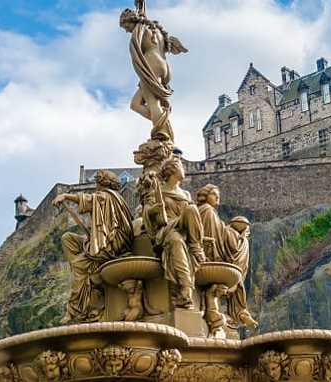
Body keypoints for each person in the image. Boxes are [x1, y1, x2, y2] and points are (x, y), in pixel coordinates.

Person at [53, 170, 133, 322]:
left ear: (101, 182)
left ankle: (75, 309)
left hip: (109, 246)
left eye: (97, 181)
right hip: (101, 241)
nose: (95, 184)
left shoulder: (105, 196)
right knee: (68, 238)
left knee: (78, 265)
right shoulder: (117, 198)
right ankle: (85, 277)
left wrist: (65, 195)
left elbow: (88, 199)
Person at [142, 157, 205, 308]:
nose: (184, 169)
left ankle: (196, 248)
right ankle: (186, 289)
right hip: (167, 230)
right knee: (176, 241)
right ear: (172, 170)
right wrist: (153, 210)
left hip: (184, 229)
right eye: (181, 166)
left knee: (191, 208)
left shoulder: (186, 194)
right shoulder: (158, 191)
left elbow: (192, 217)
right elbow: (145, 214)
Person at [120, 2, 187, 141]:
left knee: (152, 102)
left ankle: (161, 135)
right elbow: (142, 12)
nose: (127, 31)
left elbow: (136, 48)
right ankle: (163, 124)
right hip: (163, 66)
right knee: (135, 104)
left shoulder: (140, 28)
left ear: (132, 21)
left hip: (151, 63)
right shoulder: (152, 27)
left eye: (126, 27)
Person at [196, 184, 257, 328]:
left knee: (237, 263)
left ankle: (240, 311)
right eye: (214, 195)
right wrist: (239, 236)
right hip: (210, 253)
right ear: (206, 196)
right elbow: (217, 235)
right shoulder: (208, 211)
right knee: (242, 247)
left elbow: (220, 231)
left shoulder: (208, 212)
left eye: (218, 196)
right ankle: (239, 311)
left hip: (210, 250)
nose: (218, 198)